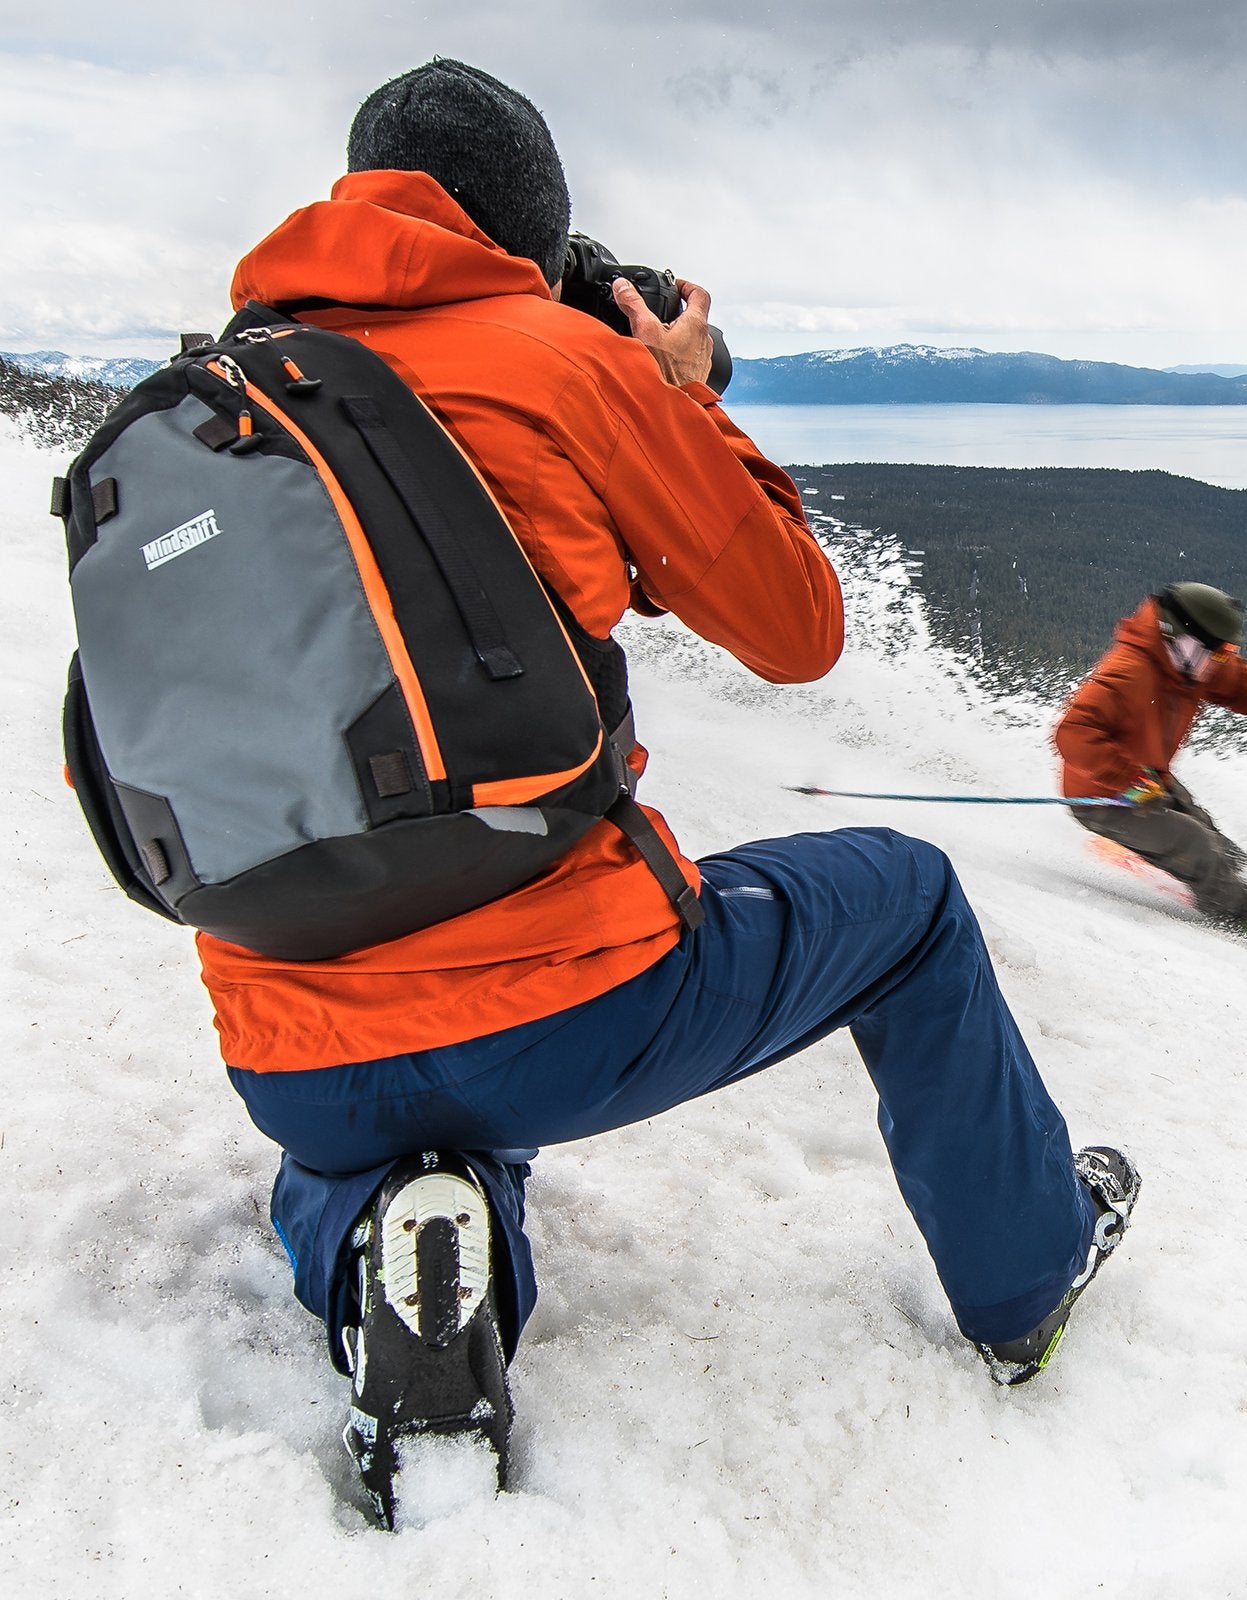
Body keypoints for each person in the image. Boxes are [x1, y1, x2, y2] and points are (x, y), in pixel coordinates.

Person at [203, 59, 1139, 1525]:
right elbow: (796, 624)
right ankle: (1026, 1281)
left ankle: (396, 1235)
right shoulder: (557, 360)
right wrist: (682, 395)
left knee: (398, 1127)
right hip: (562, 1011)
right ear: (527, 226)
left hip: (292, 1041)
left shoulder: (210, 403)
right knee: (908, 905)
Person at [1055, 582, 1247, 929]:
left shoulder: (1192, 663)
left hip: (1150, 778)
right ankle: (1242, 917)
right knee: (1195, 844)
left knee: (1207, 830)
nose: (1218, 662)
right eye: (1213, 653)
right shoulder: (1128, 672)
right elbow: (1073, 732)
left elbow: (1243, 685)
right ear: (1176, 637)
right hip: (1102, 796)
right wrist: (1128, 783)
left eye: (1223, 653)